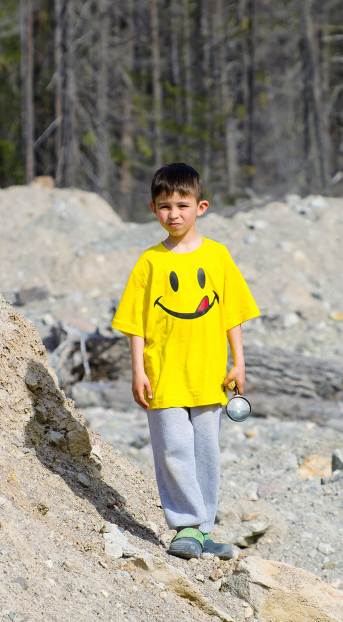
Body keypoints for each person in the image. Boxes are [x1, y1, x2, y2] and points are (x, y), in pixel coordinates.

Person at [111, 163, 259, 560]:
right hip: (163, 376)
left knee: (206, 450)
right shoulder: (150, 262)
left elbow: (233, 314)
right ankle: (185, 526)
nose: (173, 214)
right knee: (174, 447)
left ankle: (205, 529)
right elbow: (134, 323)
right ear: (152, 209)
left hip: (209, 375)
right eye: (164, 206)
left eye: (182, 204)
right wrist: (138, 370)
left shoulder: (217, 256)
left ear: (201, 207)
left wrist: (239, 362)